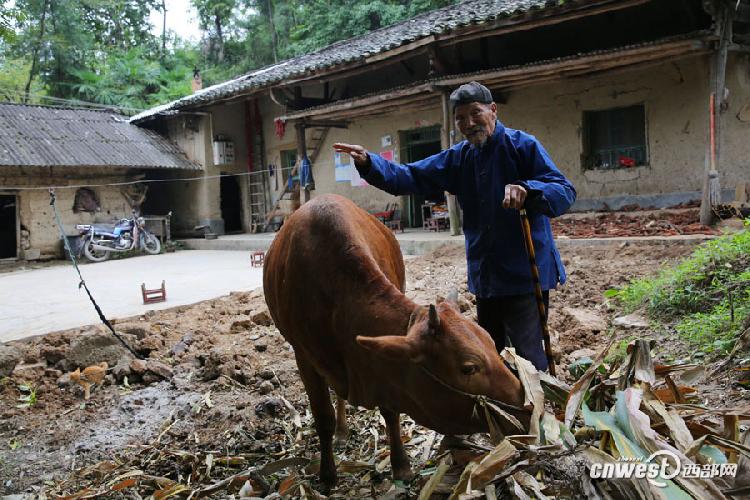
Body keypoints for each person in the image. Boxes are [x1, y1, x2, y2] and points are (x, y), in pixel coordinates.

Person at [333, 81, 576, 372]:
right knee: (491, 355)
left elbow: (564, 191)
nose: (469, 123)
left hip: (525, 272)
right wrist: (369, 162)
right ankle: (499, 413)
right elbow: (409, 176)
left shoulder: (522, 146)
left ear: (493, 110)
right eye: (461, 118)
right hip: (486, 275)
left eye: (476, 113)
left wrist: (530, 190)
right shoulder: (458, 158)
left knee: (529, 356)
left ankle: (537, 411)